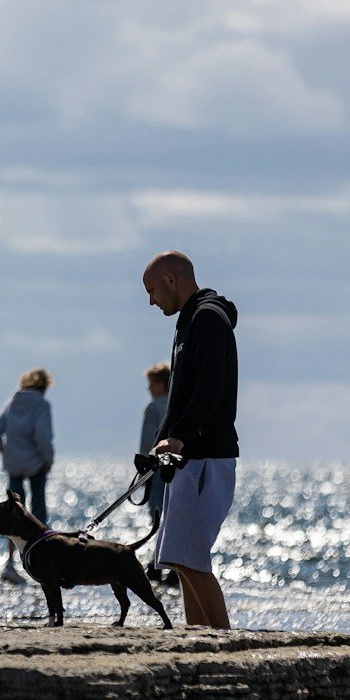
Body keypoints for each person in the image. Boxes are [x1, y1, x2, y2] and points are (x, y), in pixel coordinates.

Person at [143, 251, 238, 629]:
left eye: (152, 291)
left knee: (191, 558)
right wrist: (160, 442)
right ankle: (200, 637)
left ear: (170, 279)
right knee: (180, 558)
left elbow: (210, 387)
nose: (151, 301)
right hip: (187, 457)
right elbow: (181, 396)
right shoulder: (187, 322)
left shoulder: (208, 318)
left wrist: (180, 437)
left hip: (207, 456)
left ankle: (223, 643)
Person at [0, 368, 55, 584]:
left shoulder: (13, 401)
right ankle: (40, 559)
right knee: (38, 512)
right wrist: (48, 459)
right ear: (44, 386)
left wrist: (3, 449)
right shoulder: (42, 405)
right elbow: (42, 435)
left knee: (13, 514)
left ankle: (10, 563)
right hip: (36, 464)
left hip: (14, 463)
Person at [139, 363, 171, 530]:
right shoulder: (175, 407)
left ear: (160, 384)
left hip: (156, 468)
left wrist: (143, 470)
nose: (149, 388)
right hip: (175, 468)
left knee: (157, 516)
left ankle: (159, 555)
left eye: (151, 383)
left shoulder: (154, 408)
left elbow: (147, 443)